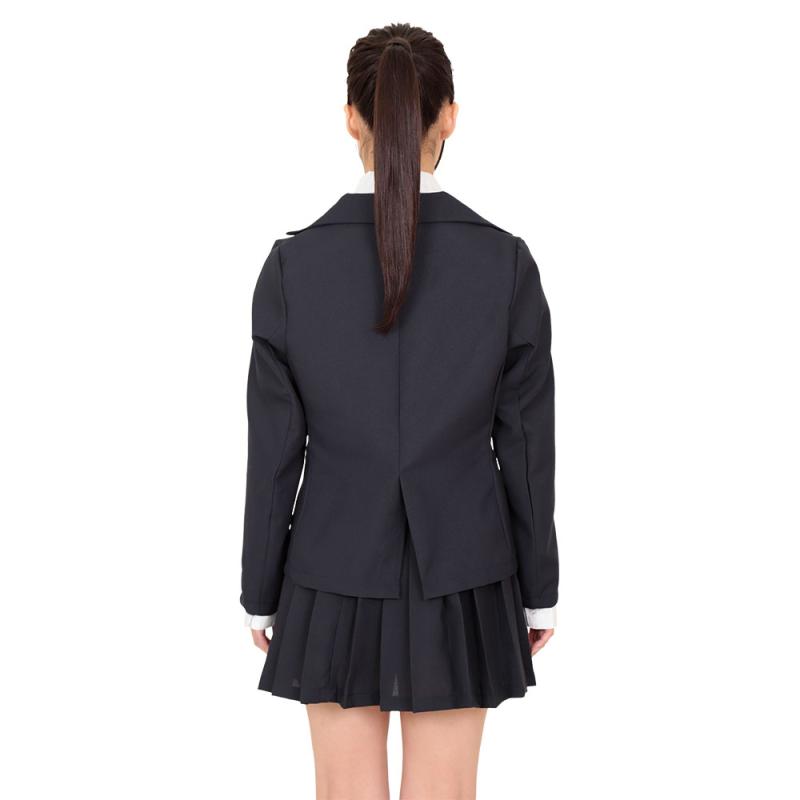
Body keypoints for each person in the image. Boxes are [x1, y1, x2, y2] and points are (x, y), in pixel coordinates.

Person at [240, 22, 559, 799]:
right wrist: (540, 587)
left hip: (329, 568)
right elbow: (525, 446)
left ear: (352, 118)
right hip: (466, 572)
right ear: (448, 116)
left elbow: (275, 454)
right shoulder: (505, 263)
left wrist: (260, 591)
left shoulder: (291, 268)